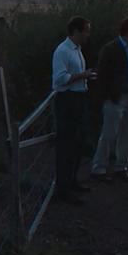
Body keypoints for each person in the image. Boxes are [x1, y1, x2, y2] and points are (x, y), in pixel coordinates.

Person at [90, 18, 128, 183]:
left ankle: (121, 166)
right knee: (109, 133)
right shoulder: (110, 49)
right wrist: (108, 94)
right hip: (115, 97)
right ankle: (99, 168)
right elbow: (102, 74)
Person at [51, 15, 96, 205]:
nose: (88, 35)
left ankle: (72, 180)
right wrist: (82, 75)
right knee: (67, 145)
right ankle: (63, 188)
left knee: (78, 143)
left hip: (79, 98)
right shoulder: (63, 51)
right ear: (76, 31)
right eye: (86, 31)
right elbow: (60, 79)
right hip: (68, 101)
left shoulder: (77, 50)